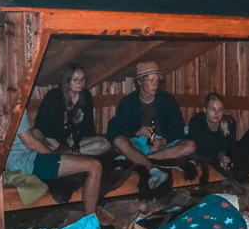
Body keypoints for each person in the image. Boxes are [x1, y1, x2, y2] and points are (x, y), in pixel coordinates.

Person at [107, 61, 195, 189]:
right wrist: (136, 133)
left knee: (190, 146)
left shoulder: (167, 100)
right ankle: (153, 169)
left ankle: (141, 160)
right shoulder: (128, 102)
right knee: (119, 141)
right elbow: (113, 132)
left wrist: (163, 141)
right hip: (138, 144)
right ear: (139, 82)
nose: (155, 85)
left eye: (157, 80)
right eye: (150, 81)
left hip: (162, 145)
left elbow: (179, 129)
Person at [6, 111, 102, 216]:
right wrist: (55, 156)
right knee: (94, 166)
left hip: (23, 159)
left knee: (88, 161)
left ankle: (91, 220)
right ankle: (91, 225)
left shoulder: (7, 105)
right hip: (26, 163)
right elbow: (31, 143)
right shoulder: (15, 108)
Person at [33, 64, 109, 155]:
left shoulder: (85, 96)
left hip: (75, 141)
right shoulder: (54, 96)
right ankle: (70, 154)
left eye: (82, 79)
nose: (79, 83)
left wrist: (82, 143)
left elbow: (88, 125)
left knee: (105, 143)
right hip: (54, 143)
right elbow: (43, 129)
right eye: (75, 80)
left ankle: (72, 154)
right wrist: (59, 147)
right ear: (67, 81)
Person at [187, 92, 237, 173]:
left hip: (219, 156)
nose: (216, 113)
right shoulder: (196, 122)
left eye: (220, 110)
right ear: (205, 109)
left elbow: (230, 147)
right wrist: (220, 156)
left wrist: (225, 158)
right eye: (213, 109)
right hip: (201, 156)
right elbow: (202, 150)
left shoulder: (229, 123)